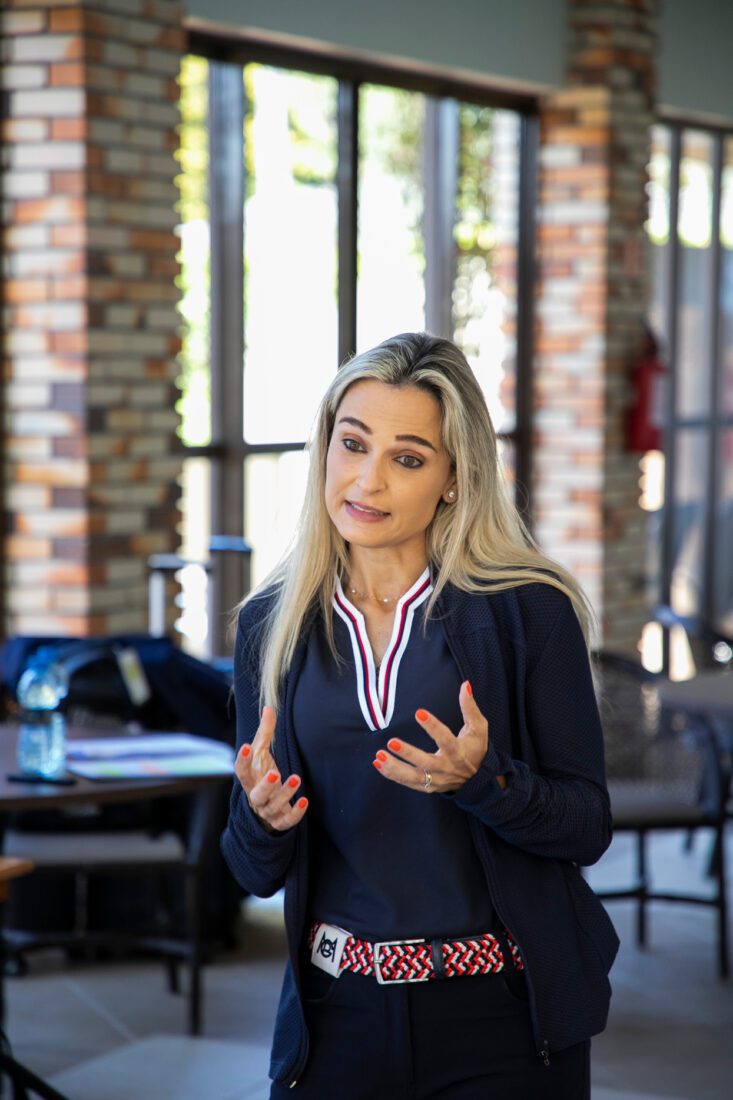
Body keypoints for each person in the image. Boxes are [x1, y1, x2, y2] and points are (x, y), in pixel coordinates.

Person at [221, 332, 618, 1099]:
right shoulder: (270, 623)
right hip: (334, 1019)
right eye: (352, 444)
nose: (366, 480)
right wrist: (262, 820)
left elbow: (586, 826)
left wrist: (485, 782)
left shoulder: (529, 609)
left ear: (452, 478)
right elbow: (250, 872)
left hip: (502, 1021)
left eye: (406, 458)